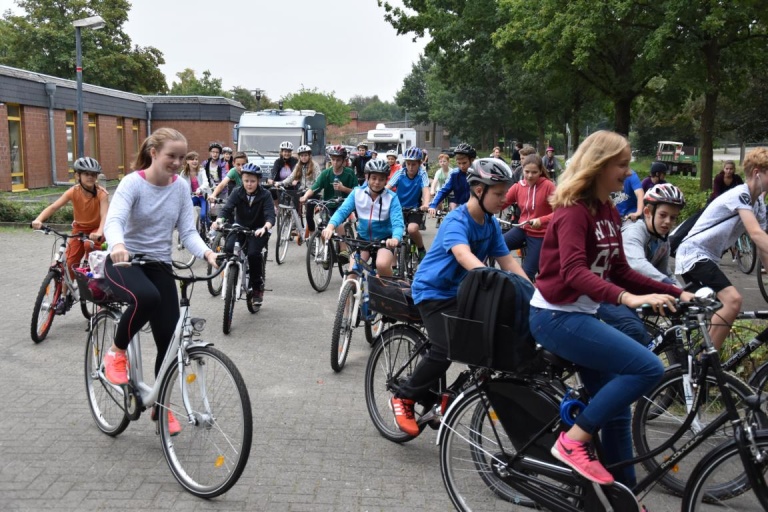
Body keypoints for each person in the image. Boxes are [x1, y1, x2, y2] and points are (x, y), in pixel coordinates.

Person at [528, 130, 691, 487]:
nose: (628, 172)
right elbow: (573, 272)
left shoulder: (607, 211)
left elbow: (620, 270)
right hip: (556, 315)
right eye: (622, 164)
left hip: (580, 314)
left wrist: (675, 293)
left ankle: (624, 500)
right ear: (599, 165)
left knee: (616, 413)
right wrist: (626, 298)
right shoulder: (573, 210)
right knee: (648, 368)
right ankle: (572, 442)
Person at [390, 158, 528, 436]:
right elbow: (463, 255)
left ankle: (445, 399)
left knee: (490, 341)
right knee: (445, 348)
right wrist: (492, 278)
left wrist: (534, 294)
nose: (504, 199)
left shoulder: (490, 224)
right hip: (432, 291)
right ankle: (404, 397)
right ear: (479, 190)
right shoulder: (457, 219)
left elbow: (509, 263)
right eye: (499, 193)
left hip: (464, 293)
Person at [102, 128, 219, 436]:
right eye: (171, 156)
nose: (177, 163)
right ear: (153, 153)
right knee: (147, 297)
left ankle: (161, 406)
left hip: (159, 264)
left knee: (170, 342)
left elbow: (187, 232)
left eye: (182, 157)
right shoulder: (132, 183)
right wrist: (117, 245)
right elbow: (114, 220)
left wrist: (208, 253)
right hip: (124, 261)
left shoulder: (179, 187)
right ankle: (115, 352)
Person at [676, 147, 768, 351]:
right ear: (757, 173)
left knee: (723, 308)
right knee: (732, 301)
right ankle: (707, 362)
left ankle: (703, 359)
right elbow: (755, 234)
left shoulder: (758, 203)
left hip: (708, 258)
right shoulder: (741, 194)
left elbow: (763, 246)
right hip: (694, 253)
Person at [596, 184, 686, 346]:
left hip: (626, 293)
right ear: (647, 212)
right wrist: (670, 287)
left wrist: (683, 294)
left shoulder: (662, 240)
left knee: (647, 337)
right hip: (603, 290)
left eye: (673, 218)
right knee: (634, 331)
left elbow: (664, 273)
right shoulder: (634, 231)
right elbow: (637, 264)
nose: (668, 222)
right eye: (663, 215)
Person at [322, 159, 404, 277]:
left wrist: (395, 238)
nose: (377, 182)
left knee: (381, 265)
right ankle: (352, 288)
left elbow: (397, 222)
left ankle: (390, 286)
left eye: (381, 179)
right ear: (367, 177)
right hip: (363, 240)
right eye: (374, 178)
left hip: (384, 241)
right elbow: (342, 211)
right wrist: (330, 227)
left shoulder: (392, 197)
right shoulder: (357, 193)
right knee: (352, 273)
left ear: (386, 180)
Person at [31, 156, 109, 279]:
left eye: (93, 174)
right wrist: (38, 219)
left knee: (88, 245)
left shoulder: (102, 194)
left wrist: (99, 232)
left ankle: (91, 273)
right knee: (69, 263)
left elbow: (104, 215)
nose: (90, 177)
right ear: (78, 176)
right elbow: (54, 207)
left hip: (97, 230)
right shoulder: (73, 191)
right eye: (86, 174)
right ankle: (65, 291)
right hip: (79, 229)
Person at [216, 163, 275, 306]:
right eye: (246, 180)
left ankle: (257, 287)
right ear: (242, 180)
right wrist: (219, 220)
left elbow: (270, 216)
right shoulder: (237, 192)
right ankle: (232, 274)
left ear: (258, 181)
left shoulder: (265, 194)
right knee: (228, 248)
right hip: (240, 227)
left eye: (253, 181)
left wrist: (265, 227)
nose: (249, 184)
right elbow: (227, 209)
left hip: (258, 230)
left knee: (253, 254)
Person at [501, 154, 556, 281]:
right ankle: (503, 278)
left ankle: (526, 287)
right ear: (522, 170)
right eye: (527, 172)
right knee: (497, 245)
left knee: (526, 274)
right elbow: (501, 203)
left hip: (540, 234)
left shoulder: (548, 186)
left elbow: (560, 211)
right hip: (522, 228)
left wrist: (541, 220)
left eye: (534, 172)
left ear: (540, 171)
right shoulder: (518, 186)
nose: (530, 175)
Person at [299, 145, 358, 257]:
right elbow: (315, 187)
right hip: (328, 205)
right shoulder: (326, 173)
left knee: (339, 224)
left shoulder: (349, 173)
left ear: (343, 161)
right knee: (322, 226)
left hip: (344, 204)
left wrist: (343, 188)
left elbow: (357, 192)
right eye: (333, 159)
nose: (335, 162)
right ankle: (328, 252)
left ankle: (343, 250)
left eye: (338, 160)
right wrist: (305, 196)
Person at [386, 146, 431, 260]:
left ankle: (421, 249)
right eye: (408, 164)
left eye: (414, 164)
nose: (410, 167)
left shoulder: (422, 174)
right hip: (398, 208)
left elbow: (426, 190)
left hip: (415, 208)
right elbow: (387, 187)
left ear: (419, 163)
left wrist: (426, 204)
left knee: (412, 229)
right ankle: (394, 265)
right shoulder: (400, 173)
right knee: (393, 233)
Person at [281, 145, 318, 237]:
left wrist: (312, 190)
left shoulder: (314, 165)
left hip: (313, 192)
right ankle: (298, 227)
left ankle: (312, 236)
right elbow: (291, 177)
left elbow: (318, 181)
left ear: (309, 156)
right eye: (301, 156)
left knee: (309, 215)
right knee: (294, 204)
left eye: (305, 155)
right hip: (302, 190)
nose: (303, 157)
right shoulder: (298, 165)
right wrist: (281, 183)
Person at [429, 142, 476, 215]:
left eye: (464, 163)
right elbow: (443, 190)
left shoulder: (478, 173)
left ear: (471, 160)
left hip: (476, 209)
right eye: (459, 163)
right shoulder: (454, 174)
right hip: (461, 208)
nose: (461, 166)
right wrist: (433, 205)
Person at [179, 151, 212, 229]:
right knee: (185, 211)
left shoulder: (201, 170)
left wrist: (200, 189)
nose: (195, 161)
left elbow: (206, 183)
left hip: (203, 196)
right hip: (193, 196)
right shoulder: (183, 173)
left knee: (203, 215)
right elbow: (180, 185)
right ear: (187, 161)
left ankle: (209, 229)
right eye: (192, 159)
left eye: (196, 159)